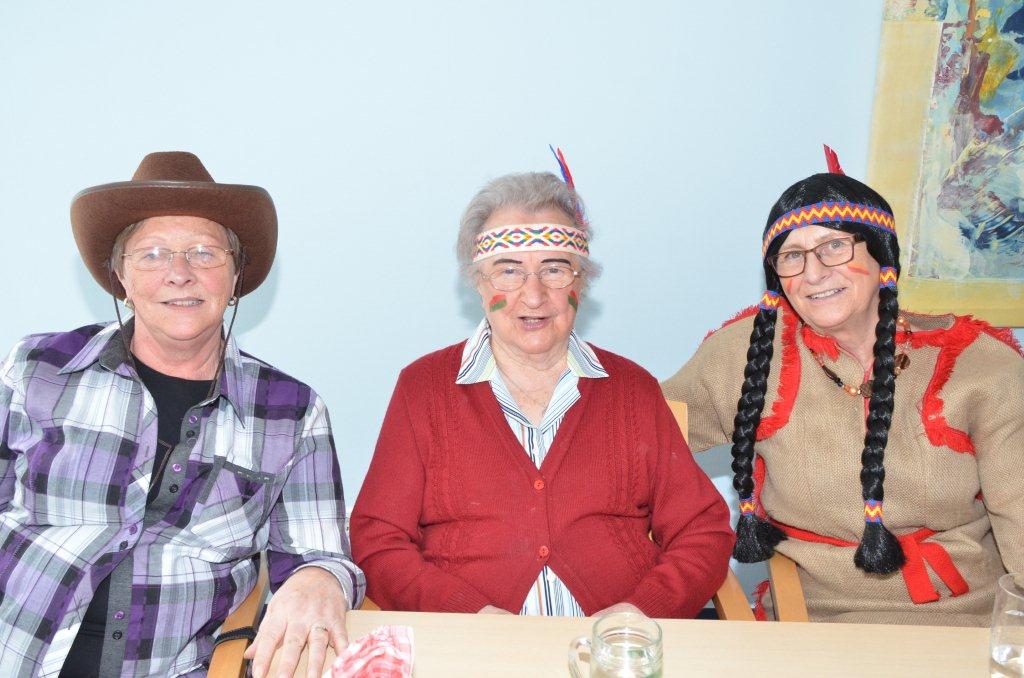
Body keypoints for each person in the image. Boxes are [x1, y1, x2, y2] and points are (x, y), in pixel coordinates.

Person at [0, 152, 364, 677]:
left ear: (235, 277)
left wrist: (321, 578)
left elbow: (321, 552)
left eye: (204, 253)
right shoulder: (37, 367)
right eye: (151, 254)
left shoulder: (292, 412)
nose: (179, 274)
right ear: (121, 277)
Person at [350, 158, 732, 619]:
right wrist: (467, 615)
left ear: (581, 282)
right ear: (478, 283)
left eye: (554, 269)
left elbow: (703, 531)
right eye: (508, 271)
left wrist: (639, 613)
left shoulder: (632, 389)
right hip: (473, 645)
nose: (533, 296)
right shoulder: (423, 389)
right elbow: (378, 539)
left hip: (614, 646)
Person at [662, 147, 1024, 625]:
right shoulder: (748, 353)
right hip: (810, 620)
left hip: (964, 619)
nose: (813, 273)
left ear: (881, 256)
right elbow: (635, 434)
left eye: (834, 246)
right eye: (792, 256)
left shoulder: (979, 365)